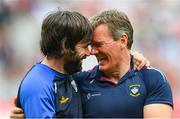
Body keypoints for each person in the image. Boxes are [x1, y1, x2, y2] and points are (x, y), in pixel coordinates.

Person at [10, 9, 150, 118]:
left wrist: (131, 57)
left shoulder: (70, 77)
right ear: (65, 45)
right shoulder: (38, 85)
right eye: (84, 46)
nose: (89, 53)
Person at [72, 9, 173, 118]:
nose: (93, 51)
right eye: (91, 45)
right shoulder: (80, 82)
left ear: (123, 41)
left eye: (99, 44)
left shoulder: (152, 79)